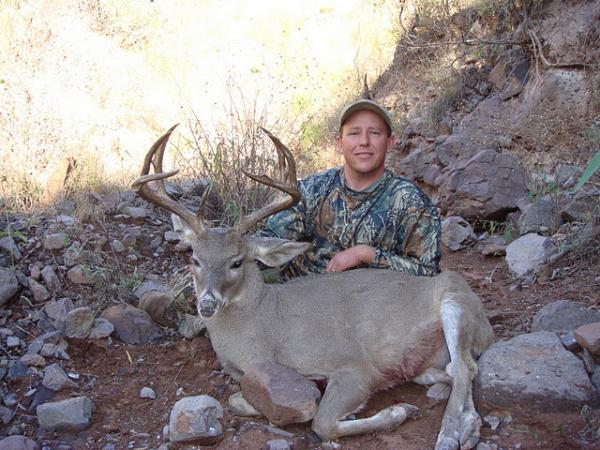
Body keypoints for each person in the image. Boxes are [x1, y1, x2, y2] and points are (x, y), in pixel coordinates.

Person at [260, 99, 441, 281]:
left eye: (375, 133)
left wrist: (367, 255)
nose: (364, 142)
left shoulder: (411, 201)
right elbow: (268, 243)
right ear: (339, 143)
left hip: (372, 297)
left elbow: (428, 273)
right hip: (300, 293)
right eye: (354, 133)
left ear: (390, 142)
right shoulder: (311, 190)